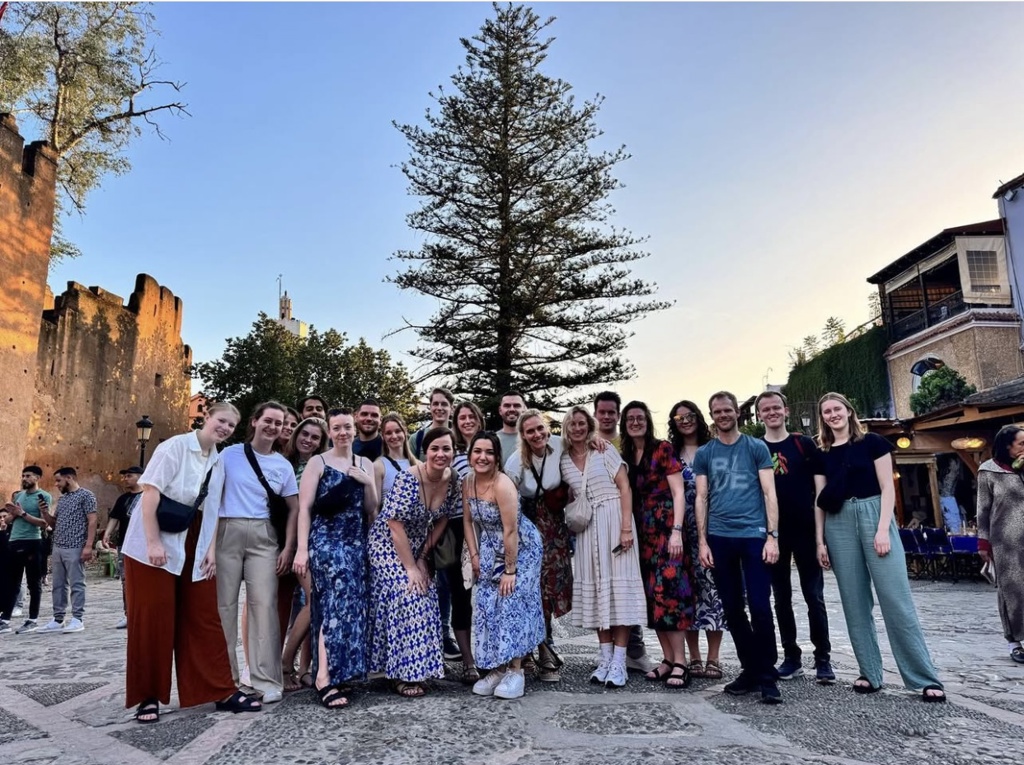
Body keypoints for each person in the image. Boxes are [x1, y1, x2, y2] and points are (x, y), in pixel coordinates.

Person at [121, 401, 262, 723]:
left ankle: (219, 690)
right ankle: (148, 697)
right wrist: (154, 542)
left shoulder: (217, 461)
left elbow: (210, 509)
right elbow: (150, 494)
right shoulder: (175, 447)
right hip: (150, 541)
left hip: (195, 541)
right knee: (152, 619)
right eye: (221, 420)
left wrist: (210, 549)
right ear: (207, 417)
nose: (224, 428)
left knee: (203, 616)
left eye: (231, 426)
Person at [814, 392, 945, 701]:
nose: (833, 414)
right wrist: (819, 540)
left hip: (875, 513)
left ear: (848, 411)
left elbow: (888, 487)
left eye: (837, 409)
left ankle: (923, 677)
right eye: (827, 411)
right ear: (823, 418)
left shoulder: (872, 443)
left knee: (895, 600)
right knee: (854, 602)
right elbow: (819, 500)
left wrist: (884, 528)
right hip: (838, 521)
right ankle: (869, 673)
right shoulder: (822, 452)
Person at [694, 391, 783, 704]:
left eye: (727, 410)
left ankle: (768, 675)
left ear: (736, 413)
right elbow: (701, 497)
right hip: (719, 536)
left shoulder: (756, 447)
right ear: (712, 416)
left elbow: (770, 494)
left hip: (754, 535)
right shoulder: (705, 453)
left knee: (760, 605)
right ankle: (751, 669)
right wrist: (703, 541)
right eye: (717, 411)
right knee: (732, 609)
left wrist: (772, 536)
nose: (723, 415)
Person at [367, 427, 462, 698]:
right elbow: (394, 524)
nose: (441, 454)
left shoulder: (453, 479)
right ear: (425, 452)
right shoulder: (409, 478)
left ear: (453, 452)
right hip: (387, 544)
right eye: (435, 448)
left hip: (418, 545)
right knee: (407, 592)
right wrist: (409, 567)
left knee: (426, 592)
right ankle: (399, 672)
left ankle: (420, 667)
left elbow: (443, 518)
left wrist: (421, 558)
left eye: (446, 448)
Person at [216, 401, 300, 704]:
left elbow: (293, 509)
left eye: (279, 423)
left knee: (263, 606)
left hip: (264, 534)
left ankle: (265, 679)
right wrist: (209, 546)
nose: (273, 427)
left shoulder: (282, 465)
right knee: (223, 606)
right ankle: (225, 680)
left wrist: (288, 547)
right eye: (269, 421)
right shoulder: (229, 455)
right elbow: (212, 497)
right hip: (227, 529)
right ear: (254, 421)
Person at [293, 408, 377, 709]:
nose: (343, 432)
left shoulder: (364, 462)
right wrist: (302, 549)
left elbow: (371, 508)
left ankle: (338, 672)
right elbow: (305, 509)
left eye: (347, 427)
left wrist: (366, 481)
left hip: (355, 543)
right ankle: (323, 678)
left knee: (351, 607)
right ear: (330, 431)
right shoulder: (318, 462)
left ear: (354, 430)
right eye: (337, 427)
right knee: (333, 607)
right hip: (326, 542)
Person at [560, 406, 646, 688]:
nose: (577, 428)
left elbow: (624, 487)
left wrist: (624, 528)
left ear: (590, 425)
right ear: (566, 427)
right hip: (587, 530)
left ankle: (620, 661)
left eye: (582, 423)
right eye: (572, 424)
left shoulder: (604, 450)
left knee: (618, 593)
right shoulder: (563, 459)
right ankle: (605, 657)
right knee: (598, 592)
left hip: (614, 521)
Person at [755, 391, 835, 684]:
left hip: (804, 530)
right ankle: (791, 656)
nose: (772, 412)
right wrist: (766, 535)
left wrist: (819, 539)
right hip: (773, 533)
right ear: (759, 415)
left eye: (776, 407)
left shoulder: (804, 444)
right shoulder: (756, 447)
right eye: (766, 409)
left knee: (814, 596)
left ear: (785, 410)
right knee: (781, 598)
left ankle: (823, 658)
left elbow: (819, 494)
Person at [464, 432, 545, 700]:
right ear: (470, 453)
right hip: (489, 546)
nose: (482, 457)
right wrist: (474, 555)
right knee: (487, 605)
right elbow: (468, 521)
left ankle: (515, 670)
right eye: (477, 451)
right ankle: (497, 667)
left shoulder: (503, 485)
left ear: (497, 457)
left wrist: (511, 571)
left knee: (511, 602)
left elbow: (511, 531)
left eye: (489, 452)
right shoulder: (468, 482)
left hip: (520, 549)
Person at [620, 401, 693, 689]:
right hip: (642, 535)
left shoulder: (662, 449)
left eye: (640, 418)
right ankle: (667, 659)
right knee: (653, 600)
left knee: (670, 597)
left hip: (666, 531)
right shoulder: (625, 454)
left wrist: (676, 530)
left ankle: (681, 662)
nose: (635, 422)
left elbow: (678, 492)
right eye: (630, 419)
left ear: (648, 421)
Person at [505, 410, 573, 683]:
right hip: (529, 527)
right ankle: (538, 649)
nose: (536, 435)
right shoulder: (515, 461)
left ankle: (546, 642)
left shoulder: (560, 445)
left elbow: (585, 446)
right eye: (530, 431)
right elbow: (507, 497)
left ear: (547, 428)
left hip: (555, 526)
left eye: (540, 429)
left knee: (551, 587)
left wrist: (599, 441)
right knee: (530, 587)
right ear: (523, 435)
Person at [591, 390, 654, 674]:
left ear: (618, 415)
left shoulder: (626, 444)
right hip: (604, 524)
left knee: (629, 586)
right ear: (596, 414)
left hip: (637, 521)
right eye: (601, 412)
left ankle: (634, 651)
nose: (606, 416)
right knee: (607, 586)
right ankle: (615, 655)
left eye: (611, 412)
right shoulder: (590, 444)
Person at [666, 401, 726, 681]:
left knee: (714, 592)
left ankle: (714, 656)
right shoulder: (671, 453)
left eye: (690, 415)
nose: (685, 421)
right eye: (679, 417)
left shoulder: (714, 449)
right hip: (680, 530)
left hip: (712, 528)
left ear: (698, 418)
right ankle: (694, 656)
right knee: (686, 593)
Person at [281, 416, 330, 690]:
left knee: (315, 602)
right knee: (313, 601)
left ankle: (303, 667)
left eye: (315, 438)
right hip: (292, 542)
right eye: (305, 434)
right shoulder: (284, 464)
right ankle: (286, 663)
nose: (308, 440)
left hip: (314, 541)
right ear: (297, 434)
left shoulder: (320, 466)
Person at [978, 424, 1024, 664]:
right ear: (1007, 445)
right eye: (1021, 444)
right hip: (1005, 542)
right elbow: (983, 509)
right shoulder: (988, 471)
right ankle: (1014, 641)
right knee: (1012, 590)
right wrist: (983, 543)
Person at [35, 467, 96, 634]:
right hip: (59, 547)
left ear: (69, 478)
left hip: (76, 546)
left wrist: (88, 546)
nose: (56, 484)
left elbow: (92, 521)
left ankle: (77, 619)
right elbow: (54, 524)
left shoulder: (86, 495)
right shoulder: (63, 500)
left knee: (77, 584)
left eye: (58, 480)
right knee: (58, 585)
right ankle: (58, 619)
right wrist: (45, 512)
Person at [0, 466, 53, 635]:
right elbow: (7, 520)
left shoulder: (43, 496)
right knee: (12, 583)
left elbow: (44, 523)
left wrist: (22, 513)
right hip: (14, 541)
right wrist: (13, 514)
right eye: (23, 475)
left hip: (32, 542)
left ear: (37, 477)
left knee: (33, 583)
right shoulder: (19, 496)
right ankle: (5, 620)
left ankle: (32, 620)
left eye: (28, 476)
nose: (24, 478)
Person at [103, 466, 145, 630]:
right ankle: (129, 614)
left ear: (140, 477)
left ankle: (143, 614)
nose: (126, 479)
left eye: (129, 476)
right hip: (125, 545)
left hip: (144, 544)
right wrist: (107, 533)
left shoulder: (149, 496)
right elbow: (114, 517)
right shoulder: (123, 499)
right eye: (125, 476)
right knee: (126, 580)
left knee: (144, 580)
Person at [374, 413, 418, 505]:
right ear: (383, 436)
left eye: (398, 431)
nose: (394, 436)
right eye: (388, 433)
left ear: (405, 431)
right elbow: (375, 508)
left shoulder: (418, 465)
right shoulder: (379, 466)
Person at [410, 388, 453, 460]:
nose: (439, 408)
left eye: (444, 404)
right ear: (430, 407)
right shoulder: (416, 439)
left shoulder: (459, 439)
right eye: (435, 404)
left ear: (451, 409)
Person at [452, 400, 486, 478]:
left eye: (472, 417)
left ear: (479, 420)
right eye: (462, 418)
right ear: (456, 423)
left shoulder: (490, 447)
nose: (467, 421)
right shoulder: (451, 451)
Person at [495, 391, 525, 465]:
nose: (512, 409)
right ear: (500, 410)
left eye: (517, 405)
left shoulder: (533, 438)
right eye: (507, 406)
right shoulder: (493, 439)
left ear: (524, 409)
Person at [352, 398, 384, 462]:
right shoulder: (348, 446)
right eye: (364, 414)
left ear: (380, 420)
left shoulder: (388, 448)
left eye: (374, 415)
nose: (369, 418)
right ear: (356, 417)